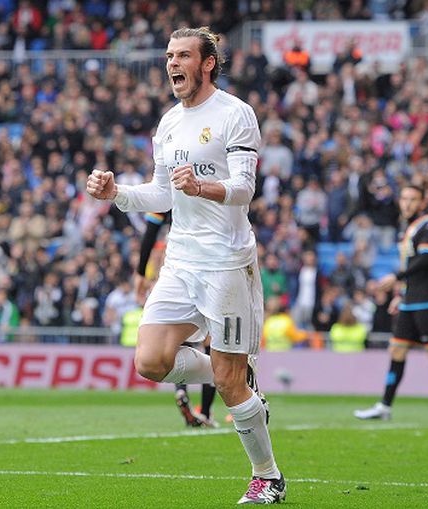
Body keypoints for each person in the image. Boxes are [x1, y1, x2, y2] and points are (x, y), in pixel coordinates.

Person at [87, 27, 285, 504]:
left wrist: (201, 187)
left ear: (207, 63)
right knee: (150, 361)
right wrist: (118, 194)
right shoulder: (170, 122)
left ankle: (268, 476)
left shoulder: (236, 115)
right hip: (180, 260)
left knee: (229, 382)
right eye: (169, 55)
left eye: (182, 56)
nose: (172, 63)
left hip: (225, 263)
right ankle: (236, 375)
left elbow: (244, 189)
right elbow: (161, 193)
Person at [354, 185, 428, 425]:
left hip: (426, 300)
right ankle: (385, 406)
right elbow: (413, 266)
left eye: (412, 199)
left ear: (421, 203)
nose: (406, 203)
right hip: (410, 300)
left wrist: (397, 278)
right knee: (396, 350)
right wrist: (402, 294)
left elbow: (426, 260)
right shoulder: (407, 228)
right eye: (404, 198)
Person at [135, 211, 218, 428]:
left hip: (175, 277)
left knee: (175, 345)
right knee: (211, 345)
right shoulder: (208, 187)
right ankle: (207, 412)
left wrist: (141, 272)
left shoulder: (170, 188)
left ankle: (181, 390)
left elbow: (151, 228)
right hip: (212, 268)